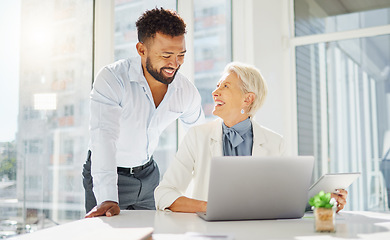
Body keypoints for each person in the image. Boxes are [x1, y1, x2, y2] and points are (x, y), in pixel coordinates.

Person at [154, 62, 348, 213]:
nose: (215, 92)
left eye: (226, 86)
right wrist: (209, 207)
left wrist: (323, 201)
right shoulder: (197, 137)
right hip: (210, 232)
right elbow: (164, 194)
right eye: (217, 86)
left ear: (248, 99)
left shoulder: (275, 143)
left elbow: (284, 201)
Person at [83, 7, 204, 218]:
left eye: (181, 55)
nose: (174, 64)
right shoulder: (113, 79)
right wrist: (108, 197)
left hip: (149, 176)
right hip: (110, 175)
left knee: (150, 234)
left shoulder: (185, 91)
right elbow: (104, 139)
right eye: (166, 55)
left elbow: (201, 140)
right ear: (141, 50)